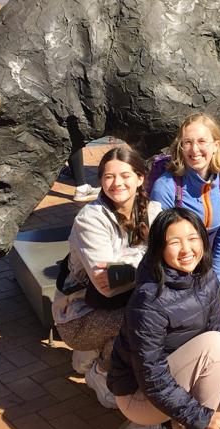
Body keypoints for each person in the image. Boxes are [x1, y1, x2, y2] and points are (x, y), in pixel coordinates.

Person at [108, 208, 220, 429]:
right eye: (175, 242)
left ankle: (170, 421)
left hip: (181, 379)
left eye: (193, 238)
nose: (187, 249)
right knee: (216, 344)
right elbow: (152, 376)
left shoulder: (207, 278)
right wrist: (204, 419)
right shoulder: (148, 298)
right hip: (139, 395)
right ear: (159, 248)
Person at [53, 146, 149, 410]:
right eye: (108, 177)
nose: (117, 183)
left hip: (119, 302)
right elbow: (107, 286)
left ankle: (96, 352)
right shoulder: (90, 219)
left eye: (125, 175)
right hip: (78, 314)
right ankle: (101, 370)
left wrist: (125, 266)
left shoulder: (152, 211)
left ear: (140, 177)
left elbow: (120, 275)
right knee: (143, 320)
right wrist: (149, 257)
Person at [149, 113, 220, 324]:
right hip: (174, 275)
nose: (194, 149)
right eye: (187, 142)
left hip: (211, 271)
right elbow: (158, 245)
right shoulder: (166, 186)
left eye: (201, 141)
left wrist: (213, 284)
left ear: (216, 145)